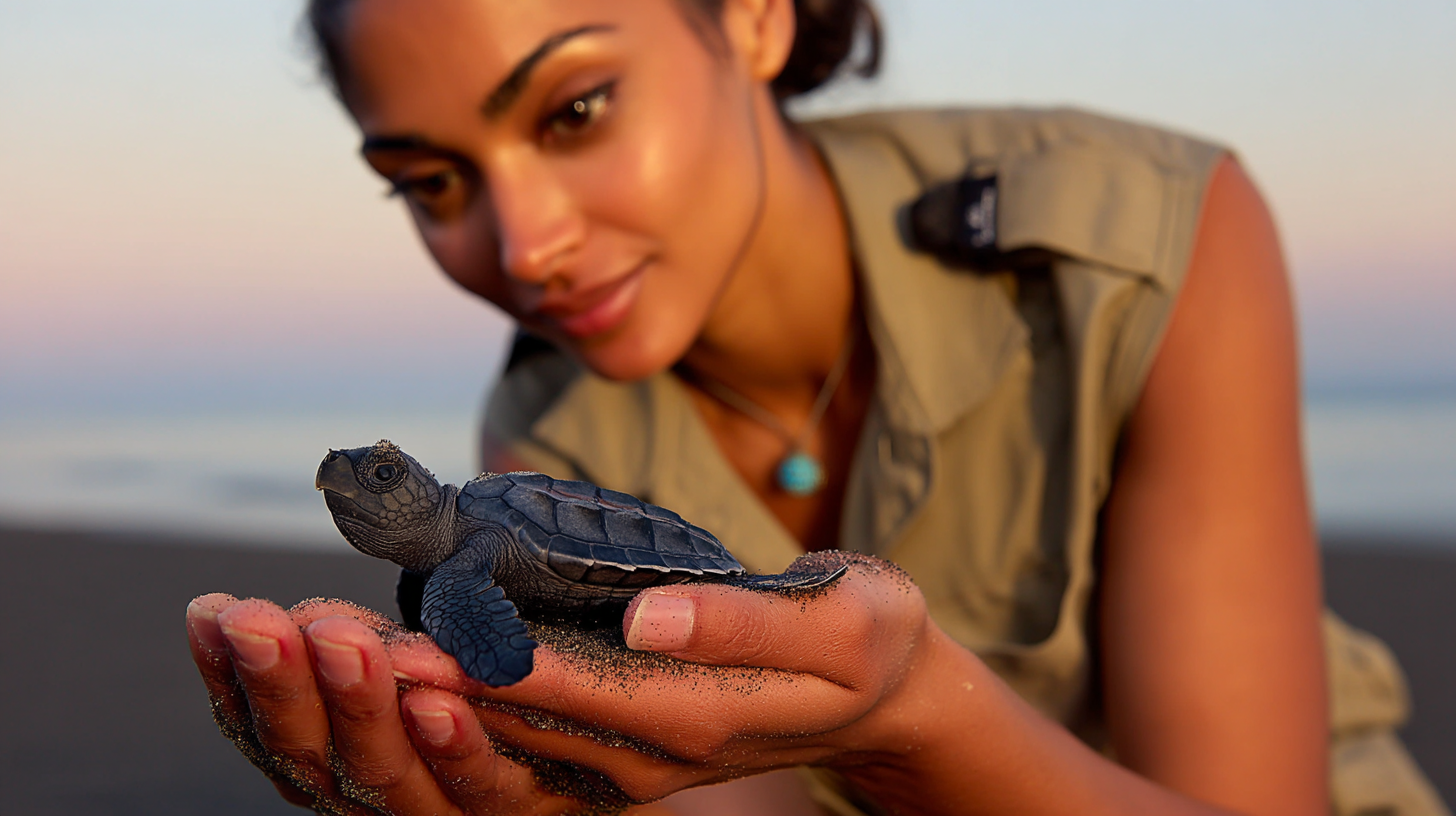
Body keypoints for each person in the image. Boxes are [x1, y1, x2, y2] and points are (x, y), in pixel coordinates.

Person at [185, 0, 1449, 814]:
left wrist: (916, 724)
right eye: (431, 181)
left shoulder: (1143, 237)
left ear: (754, 17)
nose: (527, 244)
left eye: (575, 110)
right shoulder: (547, 419)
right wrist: (564, 782)